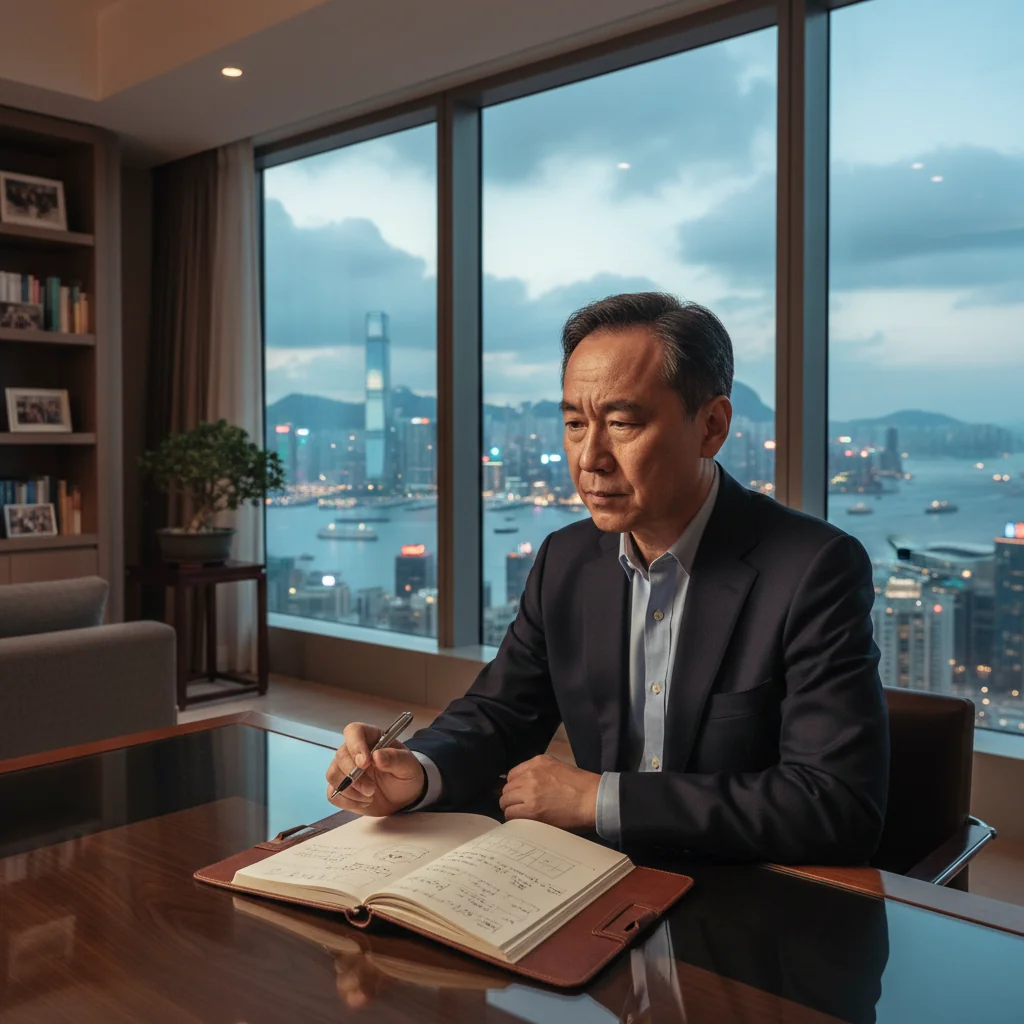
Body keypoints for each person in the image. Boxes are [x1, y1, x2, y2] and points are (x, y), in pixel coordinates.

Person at [326, 293, 889, 863]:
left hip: (749, 898)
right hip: (594, 882)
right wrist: (417, 772)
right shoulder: (567, 559)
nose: (590, 457)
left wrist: (601, 798)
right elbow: (500, 714)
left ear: (712, 427)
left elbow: (835, 805)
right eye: (574, 423)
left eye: (621, 423)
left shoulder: (814, 568)